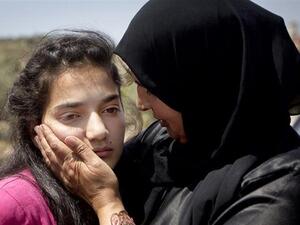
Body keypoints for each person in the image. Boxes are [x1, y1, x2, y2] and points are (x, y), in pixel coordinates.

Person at [35, 0, 300, 224]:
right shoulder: (165, 142)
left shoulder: (279, 187)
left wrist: (106, 203)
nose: (141, 104)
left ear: (205, 84)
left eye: (152, 87)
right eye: (139, 84)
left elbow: (101, 188)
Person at [0, 30, 134, 225]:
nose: (99, 132)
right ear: (34, 127)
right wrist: (106, 203)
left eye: (110, 109)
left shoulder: (135, 183)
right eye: (72, 116)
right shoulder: (11, 204)